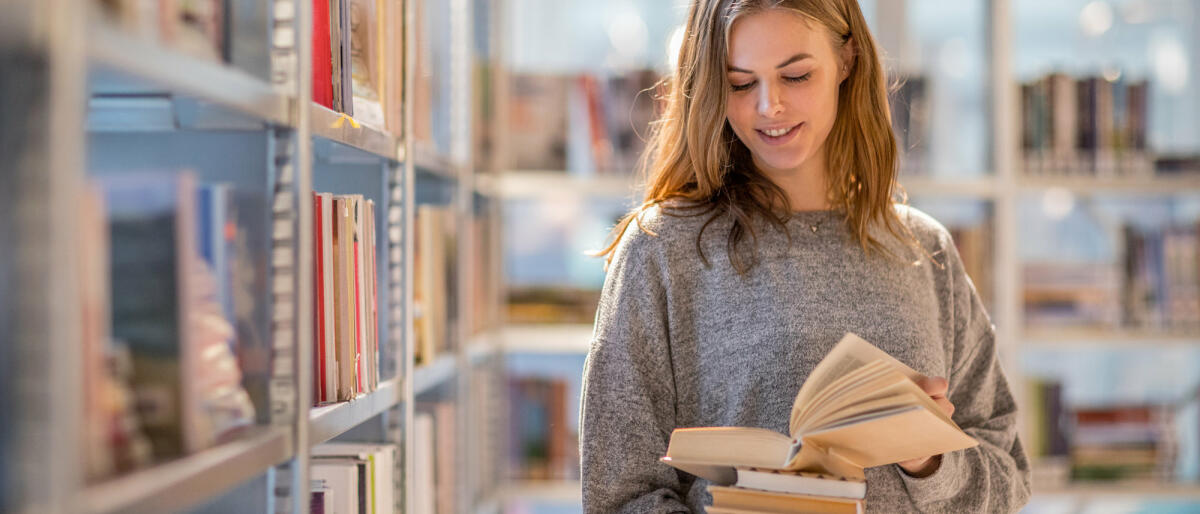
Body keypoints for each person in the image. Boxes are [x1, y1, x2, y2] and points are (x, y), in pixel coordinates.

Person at [579, 0, 1032, 512]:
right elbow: (617, 494)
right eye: (741, 83)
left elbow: (1008, 476)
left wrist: (931, 462)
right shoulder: (661, 252)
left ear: (847, 60)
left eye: (795, 75)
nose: (769, 105)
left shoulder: (925, 251)